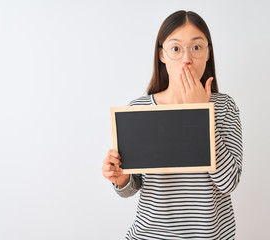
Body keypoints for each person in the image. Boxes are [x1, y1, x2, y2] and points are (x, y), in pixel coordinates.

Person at [102, 10, 243, 240]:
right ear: (162, 55)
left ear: (208, 53)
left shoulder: (224, 107)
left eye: (196, 47)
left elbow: (228, 182)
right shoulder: (139, 110)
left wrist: (200, 112)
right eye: (176, 48)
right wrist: (122, 179)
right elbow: (133, 187)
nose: (186, 58)